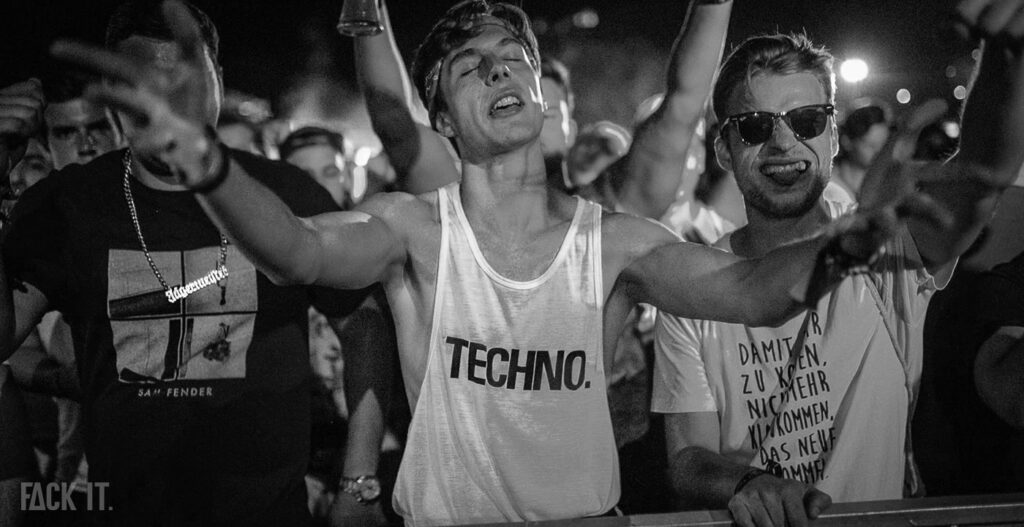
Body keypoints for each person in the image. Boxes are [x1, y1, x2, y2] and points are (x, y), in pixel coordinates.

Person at [50, 1, 947, 524]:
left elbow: (752, 294)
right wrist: (205, 161)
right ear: (443, 118)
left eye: (513, 57)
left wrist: (849, 241)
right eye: (473, 68)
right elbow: (296, 249)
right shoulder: (413, 227)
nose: (504, 70)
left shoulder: (615, 238)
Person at [651, 2, 1024, 524]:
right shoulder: (692, 283)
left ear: (831, 134)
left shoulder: (886, 240)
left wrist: (1009, 58)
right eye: (756, 126)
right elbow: (687, 458)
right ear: (723, 148)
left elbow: (985, 170)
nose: (784, 142)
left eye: (805, 120)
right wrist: (748, 482)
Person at [0, 1, 368, 524]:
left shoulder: (285, 191)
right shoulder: (66, 204)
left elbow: (362, 323)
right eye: (147, 82)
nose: (170, 100)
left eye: (188, 76)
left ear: (218, 78)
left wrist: (359, 480)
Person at [831, 102, 891, 203]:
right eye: (871, 145)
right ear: (847, 141)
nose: (879, 152)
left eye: (884, 145)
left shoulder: (891, 185)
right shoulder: (827, 185)